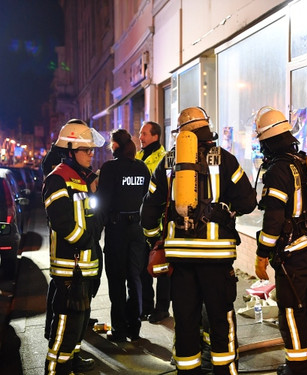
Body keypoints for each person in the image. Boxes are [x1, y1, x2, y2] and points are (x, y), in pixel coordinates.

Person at [141, 106, 257, 374]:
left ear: (181, 134)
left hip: (180, 260)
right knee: (220, 319)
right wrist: (225, 209)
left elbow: (148, 212)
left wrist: (155, 241)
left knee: (185, 321)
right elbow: (249, 201)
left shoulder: (168, 162)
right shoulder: (225, 159)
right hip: (217, 260)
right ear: (207, 129)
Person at [254, 107, 307, 375]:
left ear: (268, 141)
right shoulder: (303, 162)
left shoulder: (278, 170)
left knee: (292, 313)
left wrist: (262, 254)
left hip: (292, 255)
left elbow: (273, 219)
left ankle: (297, 370)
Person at [42, 119, 105, 374]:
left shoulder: (80, 177)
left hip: (85, 263)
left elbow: (90, 214)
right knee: (66, 320)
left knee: (80, 318)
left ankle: (73, 356)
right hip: (71, 265)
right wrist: (87, 240)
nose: (92, 154)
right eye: (86, 150)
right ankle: (56, 366)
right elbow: (62, 222)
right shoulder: (58, 179)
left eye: (92, 149)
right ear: (70, 151)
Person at [97, 129, 151, 342]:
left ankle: (119, 329)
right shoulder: (142, 168)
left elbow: (102, 202)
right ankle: (134, 327)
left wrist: (96, 229)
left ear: (115, 146)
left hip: (117, 229)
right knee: (134, 277)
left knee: (116, 278)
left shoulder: (110, 169)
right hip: (137, 229)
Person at [136, 120, 169, 324]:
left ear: (155, 136)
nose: (141, 137)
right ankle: (146, 306)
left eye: (145, 134)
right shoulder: (139, 157)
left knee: (162, 266)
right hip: (143, 220)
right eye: (140, 133)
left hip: (159, 221)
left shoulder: (163, 159)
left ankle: (162, 308)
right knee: (143, 267)